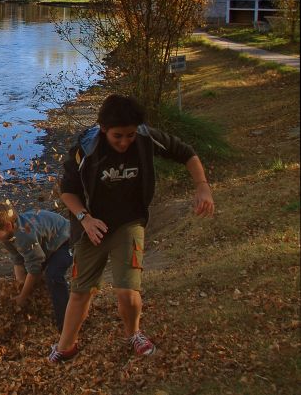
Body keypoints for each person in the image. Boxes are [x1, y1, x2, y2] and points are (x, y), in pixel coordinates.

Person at [47, 94, 215, 363]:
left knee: (127, 290)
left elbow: (186, 153)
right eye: (118, 136)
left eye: (130, 135)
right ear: (103, 129)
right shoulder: (86, 149)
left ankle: (134, 333)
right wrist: (85, 219)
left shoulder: (146, 138)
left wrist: (202, 186)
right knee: (80, 291)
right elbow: (67, 191)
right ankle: (65, 347)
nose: (125, 142)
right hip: (92, 227)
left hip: (129, 222)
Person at [0, 202, 72, 331]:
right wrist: (20, 286)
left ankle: (66, 323)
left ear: (8, 226)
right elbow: (18, 260)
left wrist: (23, 296)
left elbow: (34, 269)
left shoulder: (24, 236)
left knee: (53, 276)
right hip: (45, 244)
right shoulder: (6, 235)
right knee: (33, 276)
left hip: (65, 239)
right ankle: (45, 308)